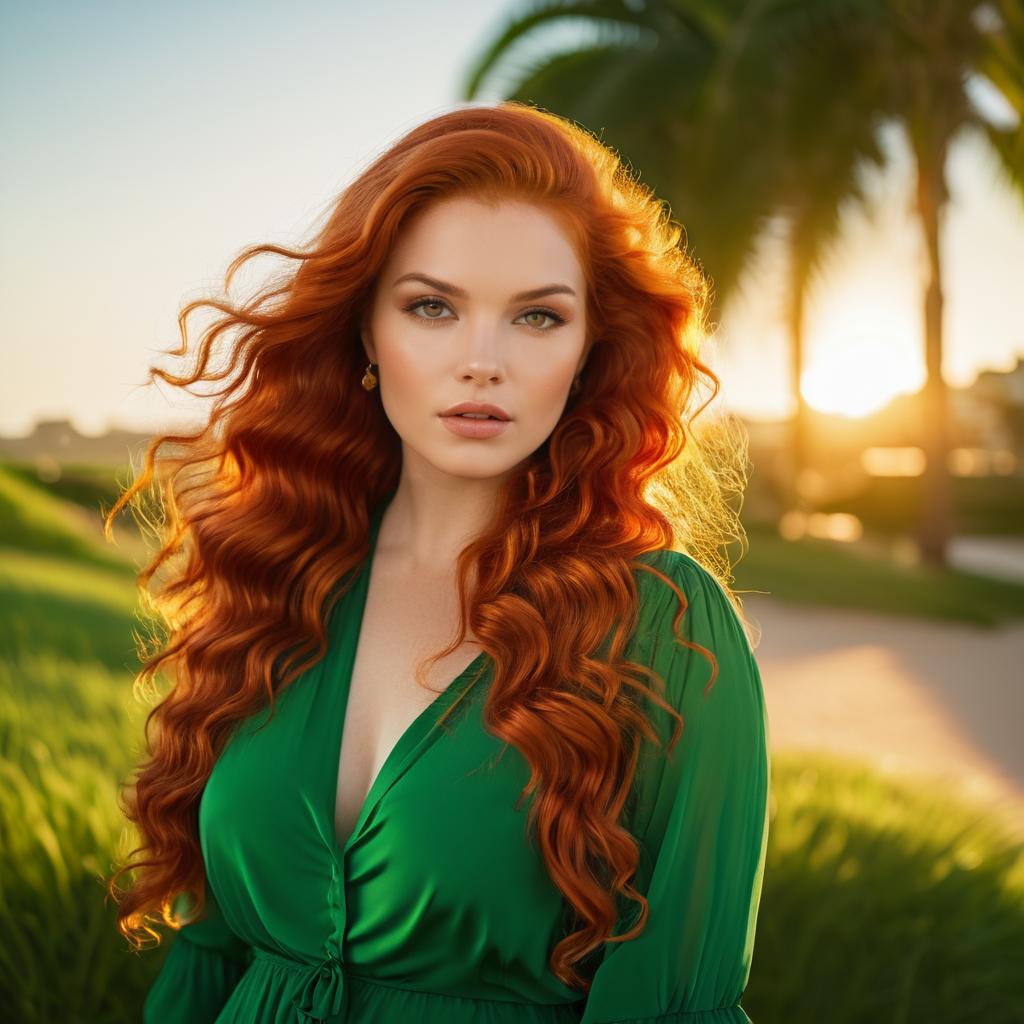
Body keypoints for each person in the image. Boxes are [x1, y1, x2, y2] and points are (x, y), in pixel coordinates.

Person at [105, 101, 770, 1023]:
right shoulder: (281, 577)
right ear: (366, 333)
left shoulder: (667, 625)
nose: (481, 361)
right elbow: (208, 955)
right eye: (432, 307)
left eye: (538, 317)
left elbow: (674, 1003)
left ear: (588, 351)